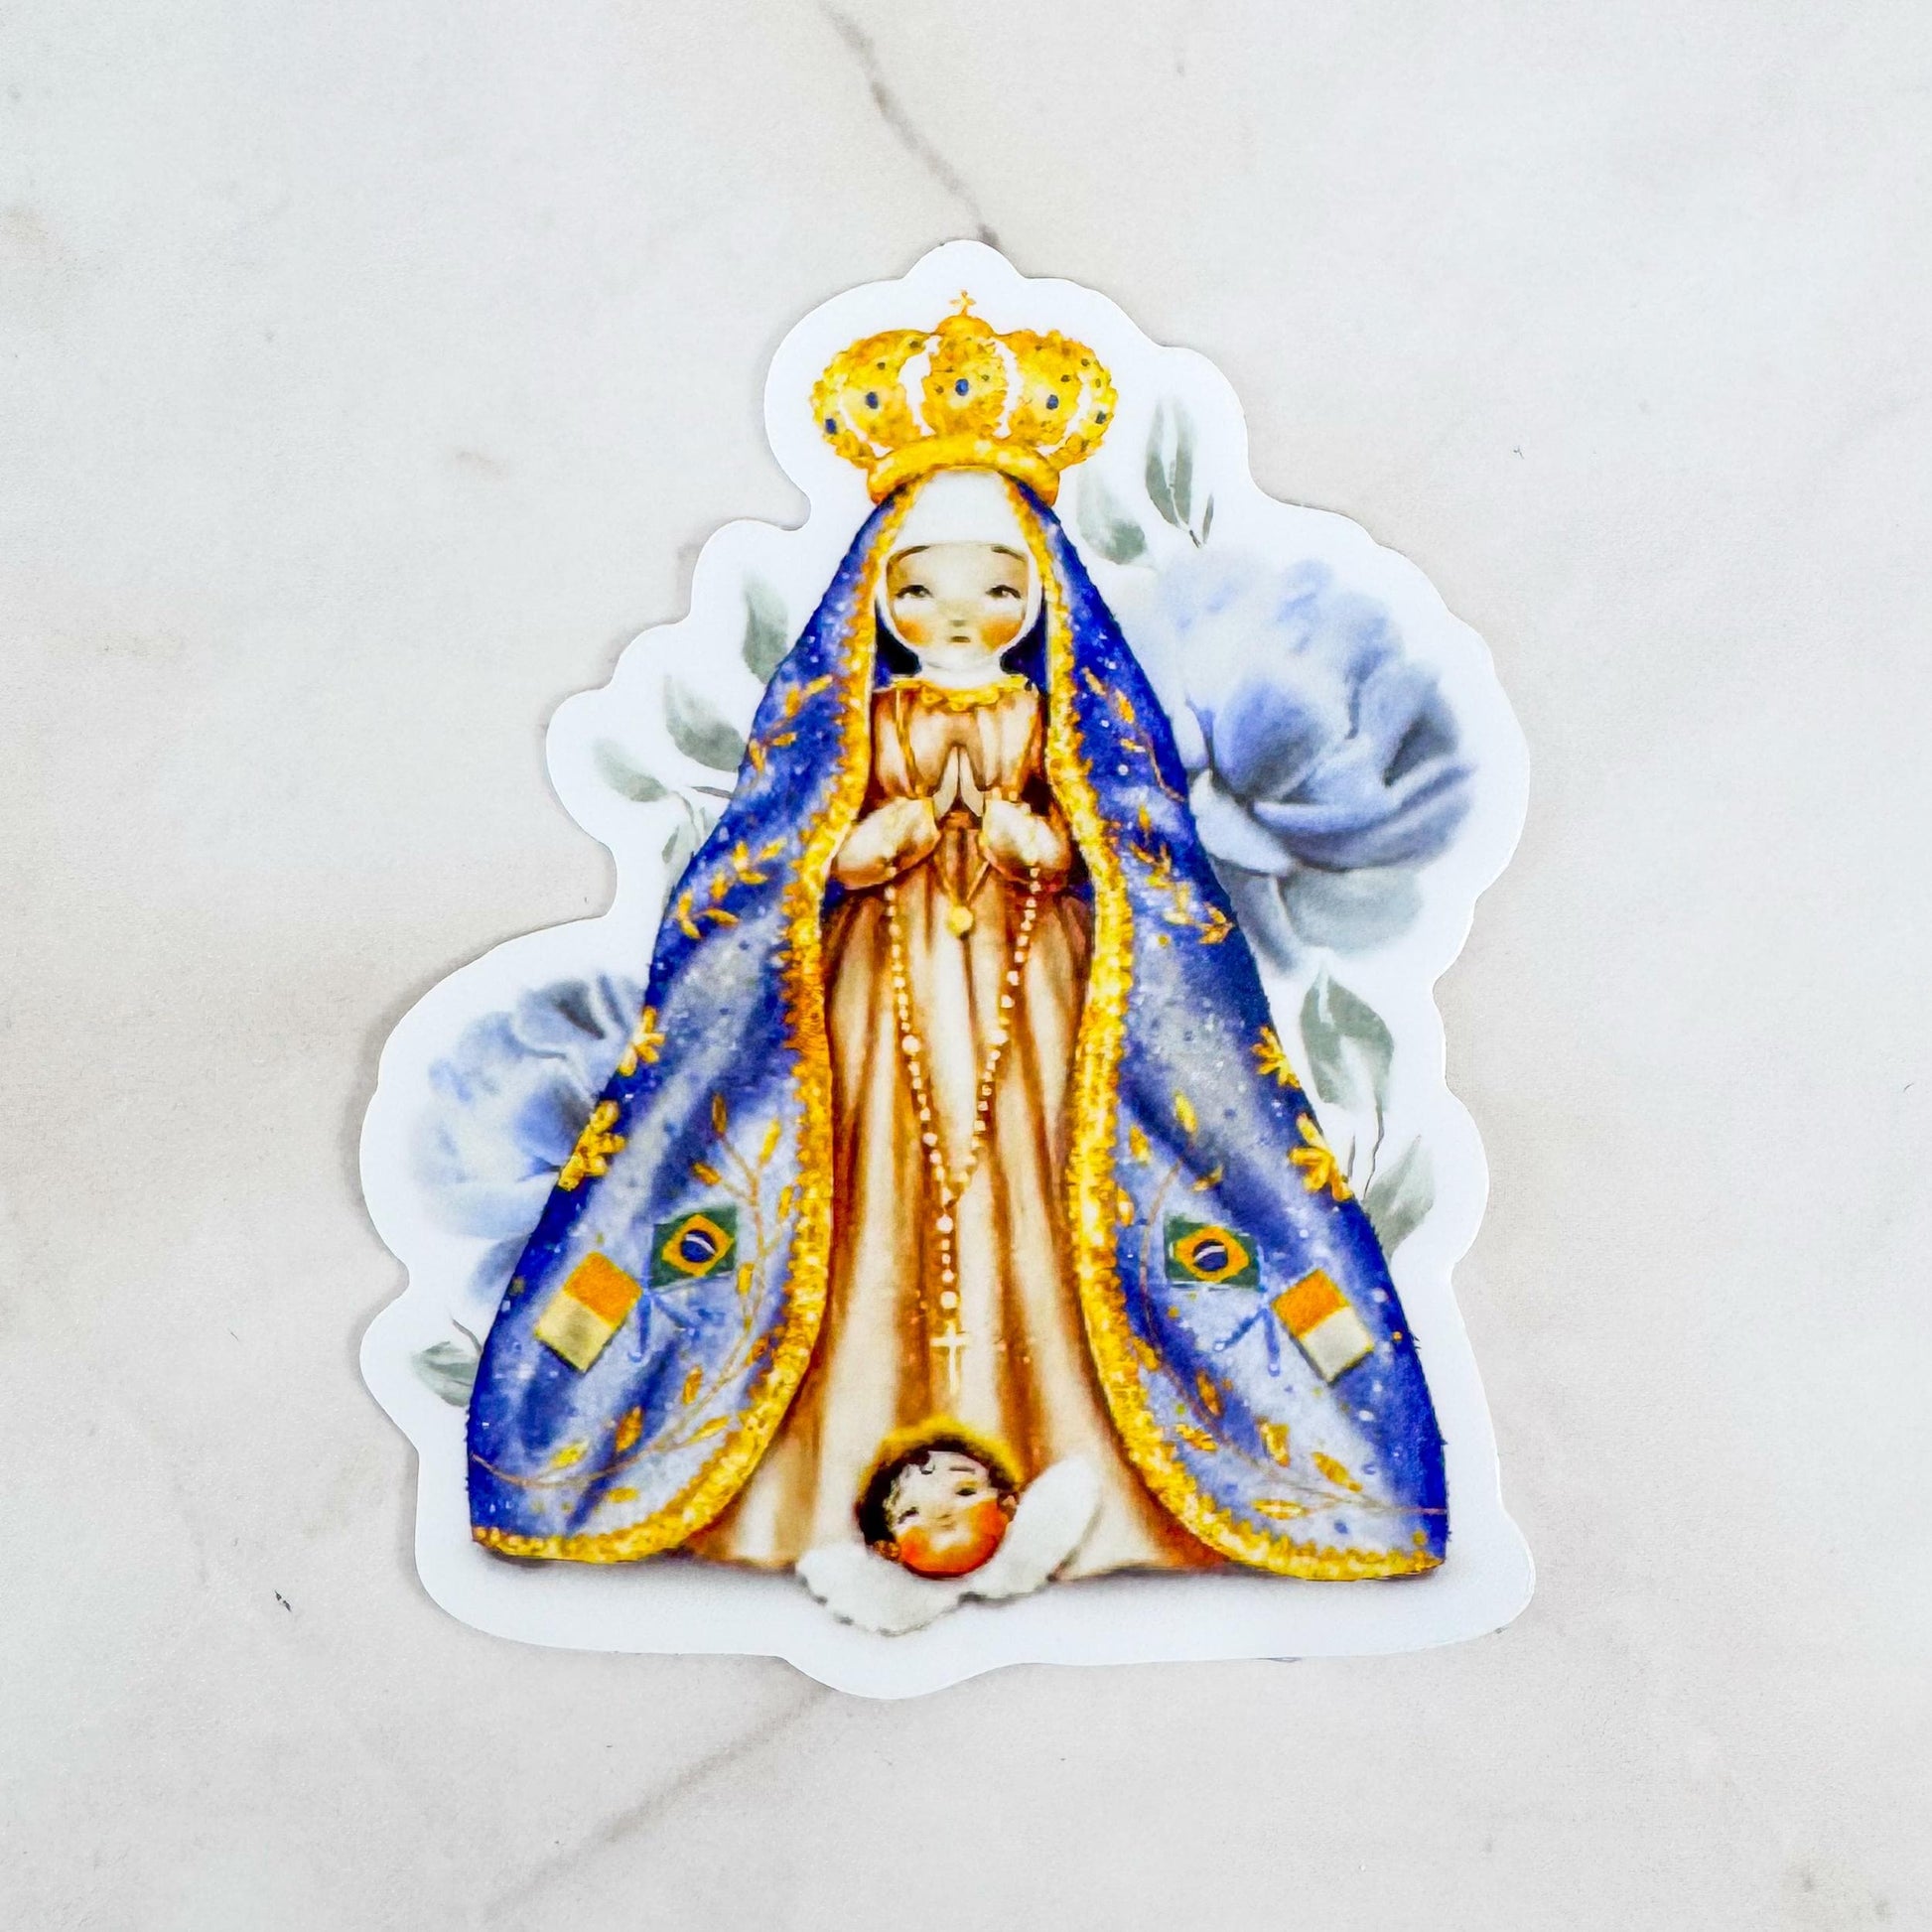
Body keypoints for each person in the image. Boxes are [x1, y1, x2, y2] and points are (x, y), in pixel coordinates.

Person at [467, 303, 1448, 1594]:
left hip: (1037, 986)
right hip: (874, 985)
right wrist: (862, 847)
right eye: (923, 588)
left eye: (993, 587)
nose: (959, 614)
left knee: (1050, 1183)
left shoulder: (1058, 715)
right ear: (881, 595)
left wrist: (1045, 847)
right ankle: (836, 1471)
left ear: (1035, 595)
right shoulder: (859, 715)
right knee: (859, 1182)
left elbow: (1127, 851)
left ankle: (1072, 1463)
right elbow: (775, 851)